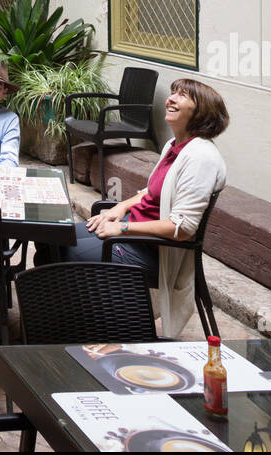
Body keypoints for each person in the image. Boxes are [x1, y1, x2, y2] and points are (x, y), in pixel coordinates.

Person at [40, 77, 229, 339]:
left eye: (182, 96)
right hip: (134, 234)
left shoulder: (201, 158)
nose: (171, 98)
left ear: (201, 112)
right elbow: (150, 194)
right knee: (49, 239)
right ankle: (69, 320)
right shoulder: (174, 146)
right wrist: (121, 206)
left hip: (153, 252)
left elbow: (183, 228)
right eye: (172, 92)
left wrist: (123, 227)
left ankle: (78, 328)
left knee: (63, 253)